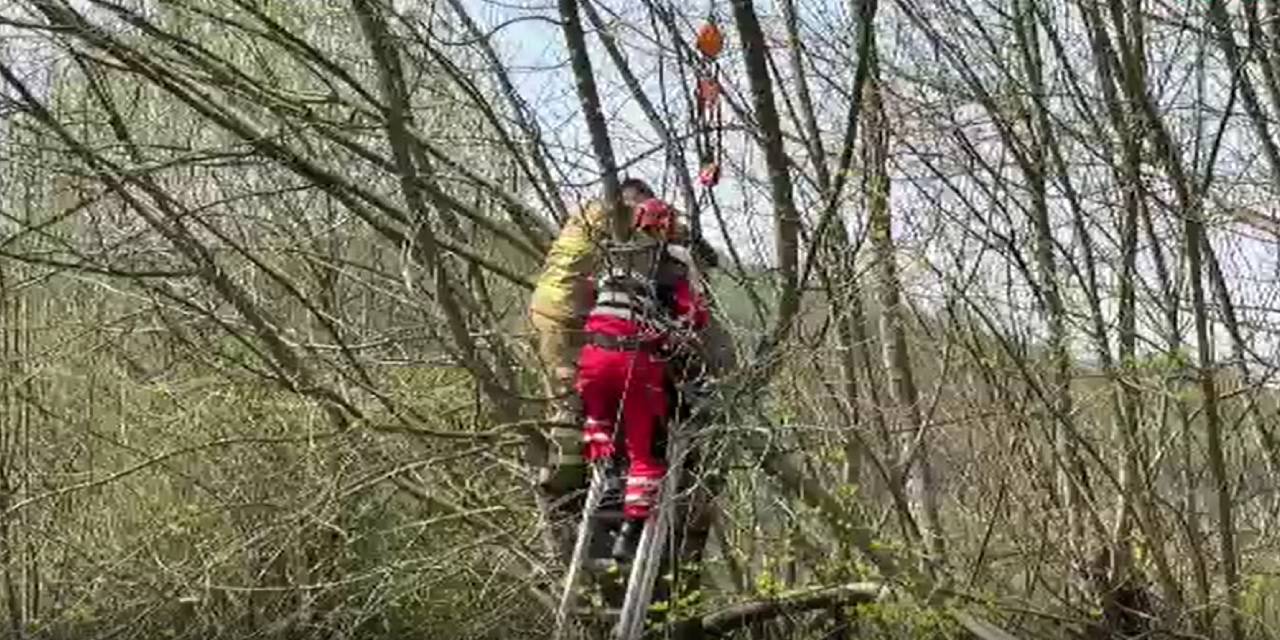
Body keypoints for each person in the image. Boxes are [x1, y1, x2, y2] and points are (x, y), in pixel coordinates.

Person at [574, 197, 710, 561]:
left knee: (607, 434)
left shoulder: (610, 255)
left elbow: (588, 301)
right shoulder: (674, 262)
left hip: (591, 363)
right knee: (647, 448)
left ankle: (611, 491)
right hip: (633, 364)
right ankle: (629, 535)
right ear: (666, 225)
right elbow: (695, 316)